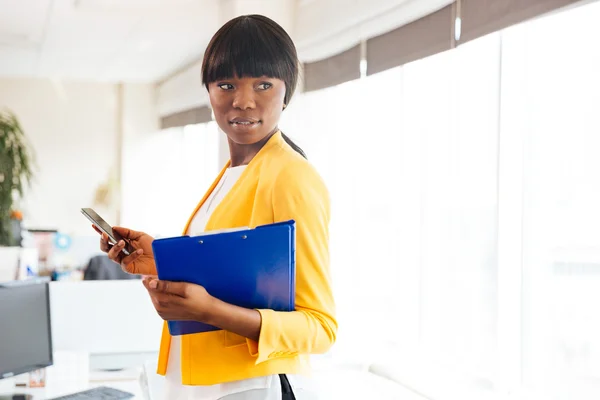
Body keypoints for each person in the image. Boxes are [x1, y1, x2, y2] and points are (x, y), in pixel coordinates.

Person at [94, 14, 336, 400]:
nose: (242, 100)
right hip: (207, 386)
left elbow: (320, 328)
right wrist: (156, 257)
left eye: (263, 84)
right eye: (226, 84)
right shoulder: (232, 174)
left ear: (286, 93)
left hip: (250, 387)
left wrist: (209, 312)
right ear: (208, 92)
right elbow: (240, 277)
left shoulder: (291, 176)